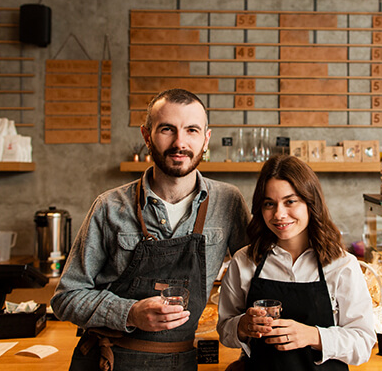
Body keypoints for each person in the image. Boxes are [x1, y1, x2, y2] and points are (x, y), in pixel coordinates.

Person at [51, 88, 249, 371]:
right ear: (147, 135)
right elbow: (66, 298)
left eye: (191, 130)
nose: (180, 142)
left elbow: (257, 278)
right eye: (167, 129)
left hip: (182, 361)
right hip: (110, 361)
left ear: (206, 139)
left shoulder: (228, 203)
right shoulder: (109, 206)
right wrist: (129, 313)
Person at [217, 154, 376, 370]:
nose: (279, 214)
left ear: (311, 203)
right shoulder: (244, 261)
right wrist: (242, 326)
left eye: (290, 201)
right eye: (269, 204)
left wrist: (313, 335)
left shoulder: (342, 265)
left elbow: (364, 342)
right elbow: (225, 331)